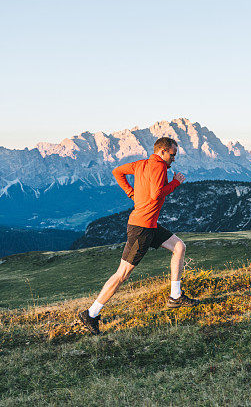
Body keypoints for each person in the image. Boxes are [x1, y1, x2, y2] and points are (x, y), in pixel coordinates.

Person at [78, 137, 199, 335]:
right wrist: (176, 182)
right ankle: (91, 314)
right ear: (162, 152)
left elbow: (117, 172)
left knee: (179, 247)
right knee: (121, 274)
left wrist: (130, 192)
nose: (173, 159)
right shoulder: (159, 168)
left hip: (149, 225)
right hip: (141, 229)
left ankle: (175, 296)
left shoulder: (140, 164)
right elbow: (156, 194)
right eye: (172, 154)